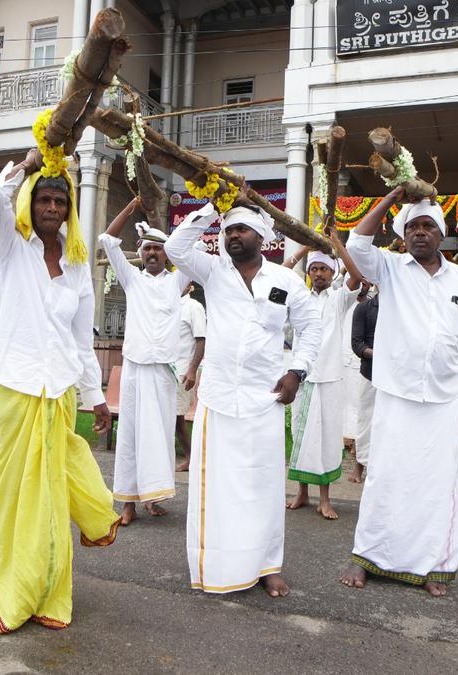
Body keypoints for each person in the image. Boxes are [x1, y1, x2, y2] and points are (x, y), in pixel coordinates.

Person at [0, 149, 119, 633]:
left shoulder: (79, 267)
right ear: (31, 204)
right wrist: (31, 164)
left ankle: (44, 591)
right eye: (45, 200)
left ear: (70, 208)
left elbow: (80, 341)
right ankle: (6, 591)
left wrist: (95, 396)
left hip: (57, 392)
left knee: (49, 503)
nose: (53, 208)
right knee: (3, 495)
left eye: (61, 200)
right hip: (11, 389)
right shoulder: (11, 247)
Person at [164, 199, 321, 598]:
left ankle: (268, 566)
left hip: (265, 398)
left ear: (262, 237)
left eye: (241, 229)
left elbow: (311, 326)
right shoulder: (212, 271)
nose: (232, 235)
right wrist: (214, 205)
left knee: (264, 485)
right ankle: (216, 563)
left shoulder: (285, 281)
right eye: (228, 230)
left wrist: (297, 371)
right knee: (216, 486)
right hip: (218, 399)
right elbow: (175, 248)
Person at [339, 188, 458, 597]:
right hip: (396, 394)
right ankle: (365, 557)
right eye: (412, 227)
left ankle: (432, 565)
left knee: (437, 486)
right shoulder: (388, 267)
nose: (420, 233)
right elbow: (356, 242)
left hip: (443, 399)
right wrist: (394, 196)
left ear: (440, 234)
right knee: (384, 478)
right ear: (403, 235)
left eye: (428, 226)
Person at [98, 198, 186, 525]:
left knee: (159, 437)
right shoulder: (132, 279)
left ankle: (153, 498)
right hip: (134, 369)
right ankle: (129, 505)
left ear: (167, 255)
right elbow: (107, 239)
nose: (152, 254)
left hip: (162, 372)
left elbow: (191, 252)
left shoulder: (178, 281)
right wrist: (132, 204)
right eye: (147, 249)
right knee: (132, 437)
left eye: (158, 250)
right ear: (141, 253)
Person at [286, 235, 364, 520]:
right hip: (302, 378)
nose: (319, 273)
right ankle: (302, 493)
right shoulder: (299, 299)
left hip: (331, 379)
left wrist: (335, 243)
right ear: (308, 273)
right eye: (314, 269)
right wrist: (306, 246)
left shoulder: (339, 298)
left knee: (329, 439)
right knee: (301, 436)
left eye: (324, 269)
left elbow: (356, 274)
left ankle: (325, 499)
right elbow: (281, 271)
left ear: (332, 273)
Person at [349, 286, 379, 484]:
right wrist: (378, 354)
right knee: (366, 420)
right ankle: (360, 465)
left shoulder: (403, 309)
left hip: (397, 377)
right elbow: (357, 344)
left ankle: (381, 469)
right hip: (369, 373)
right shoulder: (364, 309)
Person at [174, 282, 206, 472]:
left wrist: (192, 370)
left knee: (175, 417)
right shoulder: (170, 304)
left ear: (190, 287)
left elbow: (201, 340)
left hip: (183, 370)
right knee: (173, 418)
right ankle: (190, 456)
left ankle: (190, 457)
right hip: (166, 369)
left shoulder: (194, 307)